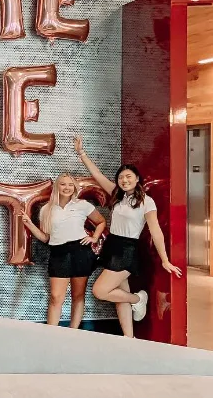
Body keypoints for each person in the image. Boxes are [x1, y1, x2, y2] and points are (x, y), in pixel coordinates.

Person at [74, 136, 182, 337]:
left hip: (128, 250)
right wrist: (82, 153)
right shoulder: (116, 196)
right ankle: (128, 338)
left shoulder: (146, 202)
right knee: (118, 295)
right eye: (121, 177)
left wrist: (165, 260)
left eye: (129, 177)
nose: (124, 180)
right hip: (113, 246)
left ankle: (138, 299)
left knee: (100, 290)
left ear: (137, 179)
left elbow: (156, 230)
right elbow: (97, 175)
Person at [20, 173, 106, 328]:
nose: (67, 188)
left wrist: (94, 238)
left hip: (80, 251)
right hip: (58, 253)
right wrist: (29, 224)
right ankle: (52, 334)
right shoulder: (47, 209)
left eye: (70, 184)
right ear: (57, 187)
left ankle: (73, 332)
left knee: (78, 295)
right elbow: (46, 238)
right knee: (55, 297)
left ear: (74, 187)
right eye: (63, 184)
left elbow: (101, 222)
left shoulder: (82, 204)